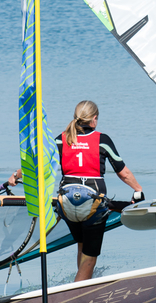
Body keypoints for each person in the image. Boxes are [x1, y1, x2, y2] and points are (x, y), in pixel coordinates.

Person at [56, 100, 142, 282]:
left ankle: (81, 285)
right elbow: (123, 173)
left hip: (66, 202)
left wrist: (16, 175)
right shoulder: (102, 140)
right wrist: (138, 189)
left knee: (82, 246)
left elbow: (39, 164)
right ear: (94, 119)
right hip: (92, 204)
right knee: (90, 257)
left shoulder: (61, 138)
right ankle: (75, 298)